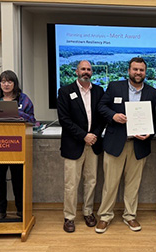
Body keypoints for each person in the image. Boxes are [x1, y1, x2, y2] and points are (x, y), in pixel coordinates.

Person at [95, 57, 156, 233]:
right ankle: (105, 216)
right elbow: (101, 106)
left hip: (138, 146)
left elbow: (155, 119)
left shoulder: (153, 93)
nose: (138, 73)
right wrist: (113, 116)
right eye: (135, 69)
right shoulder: (115, 86)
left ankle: (130, 216)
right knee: (110, 183)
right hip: (116, 143)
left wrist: (150, 133)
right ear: (129, 70)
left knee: (133, 184)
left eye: (141, 70)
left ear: (145, 72)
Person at [0, 70, 36, 219]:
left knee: (18, 178)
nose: (6, 84)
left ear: (14, 83)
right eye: (3, 81)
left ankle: (20, 209)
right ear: (0, 84)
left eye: (9, 81)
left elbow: (33, 120)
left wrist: (17, 114)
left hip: (17, 144)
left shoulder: (24, 99)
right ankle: (1, 210)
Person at [57, 60, 106, 233]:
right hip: (73, 145)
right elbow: (64, 119)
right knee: (71, 183)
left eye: (89, 69)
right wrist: (83, 135)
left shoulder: (99, 91)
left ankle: (88, 212)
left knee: (91, 181)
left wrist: (93, 135)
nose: (86, 71)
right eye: (83, 69)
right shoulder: (65, 91)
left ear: (92, 72)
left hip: (93, 144)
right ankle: (69, 217)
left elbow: (102, 117)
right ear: (76, 71)